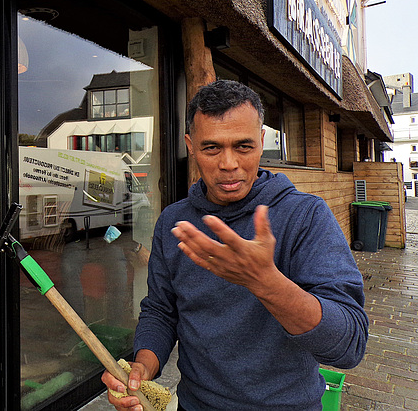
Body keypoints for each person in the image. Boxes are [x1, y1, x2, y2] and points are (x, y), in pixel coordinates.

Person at [102, 80, 368, 410]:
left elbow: (349, 345)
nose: (229, 163)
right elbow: (161, 311)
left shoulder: (304, 216)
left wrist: (265, 282)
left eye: (243, 146)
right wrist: (144, 367)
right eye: (212, 148)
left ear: (261, 142)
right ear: (191, 145)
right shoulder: (174, 222)